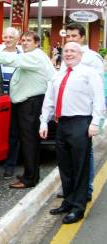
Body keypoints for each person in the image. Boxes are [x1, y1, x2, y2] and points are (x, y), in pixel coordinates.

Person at [39, 42, 105, 224]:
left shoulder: (89, 73)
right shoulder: (58, 75)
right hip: (62, 124)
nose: (68, 54)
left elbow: (99, 99)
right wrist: (44, 121)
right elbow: (49, 99)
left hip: (81, 122)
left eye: (72, 51)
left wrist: (95, 123)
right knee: (65, 166)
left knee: (80, 167)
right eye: (65, 51)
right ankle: (68, 201)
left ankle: (78, 207)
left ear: (80, 54)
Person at [0, 31, 55, 188]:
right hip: (27, 103)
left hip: (31, 104)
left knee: (29, 141)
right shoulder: (31, 56)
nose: (25, 43)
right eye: (23, 40)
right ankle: (30, 175)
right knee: (28, 141)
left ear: (37, 43)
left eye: (29, 40)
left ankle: (30, 179)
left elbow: (13, 59)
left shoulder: (34, 55)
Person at [57, 23, 104, 201]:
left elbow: (98, 91)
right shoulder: (67, 54)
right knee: (69, 156)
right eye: (68, 36)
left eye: (74, 36)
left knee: (85, 155)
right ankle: (72, 190)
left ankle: (86, 190)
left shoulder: (92, 58)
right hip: (67, 115)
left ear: (82, 37)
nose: (70, 39)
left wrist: (96, 120)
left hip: (85, 115)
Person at [0, 27, 22, 179]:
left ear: (17, 40)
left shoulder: (22, 56)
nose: (7, 40)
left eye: (11, 37)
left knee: (13, 133)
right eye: (5, 37)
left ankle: (10, 166)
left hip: (15, 98)